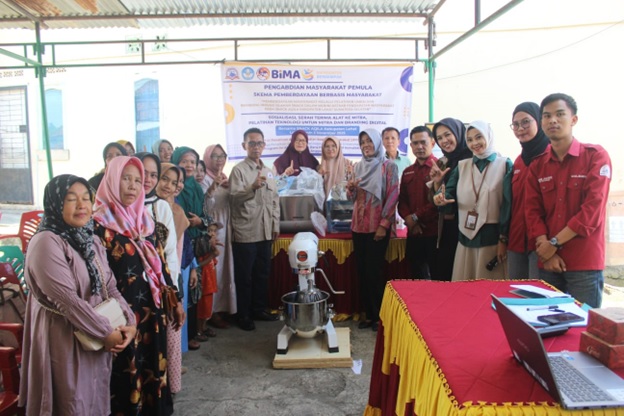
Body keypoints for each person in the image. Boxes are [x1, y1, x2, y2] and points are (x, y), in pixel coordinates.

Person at [18, 175, 136, 416]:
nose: (82, 205)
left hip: (96, 334)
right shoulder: (46, 242)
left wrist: (130, 321)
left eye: (86, 198)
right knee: (70, 399)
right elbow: (68, 301)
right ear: (55, 204)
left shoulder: (90, 239)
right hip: (63, 336)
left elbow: (110, 287)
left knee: (94, 395)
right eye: (71, 199)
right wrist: (106, 332)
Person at [93, 156, 176, 415]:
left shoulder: (145, 221)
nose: (133, 186)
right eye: (126, 179)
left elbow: (161, 262)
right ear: (111, 180)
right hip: (122, 315)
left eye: (138, 181)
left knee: (153, 361)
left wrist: (174, 297)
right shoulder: (98, 225)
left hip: (152, 310)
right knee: (127, 369)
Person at [525, 93, 611, 308]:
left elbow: (592, 211)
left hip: (584, 264)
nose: (552, 120)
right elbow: (532, 211)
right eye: (547, 116)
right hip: (548, 262)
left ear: (573, 119)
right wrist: (546, 251)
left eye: (560, 114)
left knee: (584, 324)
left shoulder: (595, 156)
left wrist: (553, 244)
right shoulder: (537, 165)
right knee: (546, 322)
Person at [433, 121, 512, 281]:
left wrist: (503, 239)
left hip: (492, 240)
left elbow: (508, 205)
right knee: (464, 286)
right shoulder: (462, 166)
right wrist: (439, 198)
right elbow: (448, 192)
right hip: (465, 239)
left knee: (488, 287)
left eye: (479, 137)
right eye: (469, 139)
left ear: (488, 137)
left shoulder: (504, 165)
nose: (474, 143)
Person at [135, 152, 185, 394]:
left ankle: (166, 392)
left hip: (162, 287)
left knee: (166, 341)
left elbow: (170, 253)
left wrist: (172, 291)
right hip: (134, 292)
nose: (148, 180)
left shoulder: (160, 207)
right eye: (142, 173)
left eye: (153, 175)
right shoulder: (119, 208)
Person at [347, 129, 399, 332]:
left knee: (374, 272)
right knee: (361, 271)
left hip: (377, 227)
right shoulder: (358, 167)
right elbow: (352, 198)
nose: (366, 145)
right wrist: (350, 188)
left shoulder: (389, 166)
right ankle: (368, 315)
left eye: (369, 141)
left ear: (377, 143)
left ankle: (379, 316)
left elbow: (393, 196)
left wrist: (383, 225)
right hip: (358, 226)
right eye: (362, 142)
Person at [230, 127, 280, 331]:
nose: (256, 147)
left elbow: (274, 200)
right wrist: (251, 187)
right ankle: (244, 314)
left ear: (264, 145)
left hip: (265, 231)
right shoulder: (238, 170)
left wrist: (275, 224)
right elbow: (233, 198)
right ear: (244, 146)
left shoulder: (268, 171)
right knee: (245, 277)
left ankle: (259, 309)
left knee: (262, 273)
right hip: (246, 232)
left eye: (259, 143)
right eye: (252, 143)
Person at [171, 146, 210, 344]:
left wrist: (200, 222)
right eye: (184, 161)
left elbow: (205, 215)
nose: (189, 165)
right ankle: (185, 336)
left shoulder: (196, 188)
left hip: (198, 243)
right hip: (181, 245)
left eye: (192, 162)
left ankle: (194, 332)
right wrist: (187, 223)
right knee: (183, 291)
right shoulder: (174, 189)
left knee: (196, 290)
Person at [507, 102, 550, 279]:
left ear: (539, 121)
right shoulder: (518, 161)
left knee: (537, 290)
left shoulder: (550, 156)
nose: (520, 129)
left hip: (542, 243)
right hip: (517, 241)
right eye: (515, 124)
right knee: (513, 290)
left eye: (526, 122)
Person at [429, 118, 473, 281]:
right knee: (445, 274)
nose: (444, 141)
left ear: (458, 133)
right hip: (447, 227)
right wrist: (437, 182)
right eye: (439, 138)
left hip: (470, 227)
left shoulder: (473, 158)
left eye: (448, 134)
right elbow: (433, 198)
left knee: (465, 276)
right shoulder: (443, 161)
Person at [398, 126, 441, 280]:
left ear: (433, 143)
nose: (419, 147)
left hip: (434, 233)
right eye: (415, 143)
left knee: (437, 278)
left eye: (423, 142)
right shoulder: (408, 171)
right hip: (414, 234)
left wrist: (415, 217)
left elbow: (438, 200)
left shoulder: (440, 168)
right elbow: (402, 200)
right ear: (410, 146)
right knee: (416, 278)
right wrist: (409, 220)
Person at [202, 144, 236, 328]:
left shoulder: (225, 177)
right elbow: (205, 207)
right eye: (214, 156)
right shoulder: (204, 179)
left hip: (227, 226)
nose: (219, 159)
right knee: (215, 269)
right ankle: (212, 311)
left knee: (226, 270)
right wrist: (213, 187)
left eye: (222, 155)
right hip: (214, 228)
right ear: (207, 158)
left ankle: (224, 308)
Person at [196, 220, 222, 336]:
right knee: (201, 308)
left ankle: (204, 327)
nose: (212, 234)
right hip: (204, 284)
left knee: (207, 308)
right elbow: (199, 265)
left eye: (214, 231)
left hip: (210, 284)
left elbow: (214, 265)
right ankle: (199, 330)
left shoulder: (211, 249)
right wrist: (212, 255)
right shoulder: (201, 249)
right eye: (209, 231)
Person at [318, 136, 352, 200]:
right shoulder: (320, 167)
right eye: (327, 146)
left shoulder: (348, 164)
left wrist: (350, 174)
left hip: (343, 203)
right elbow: (316, 189)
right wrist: (320, 175)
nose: (330, 149)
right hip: (324, 203)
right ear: (323, 149)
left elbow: (352, 185)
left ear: (338, 147)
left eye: (333, 146)